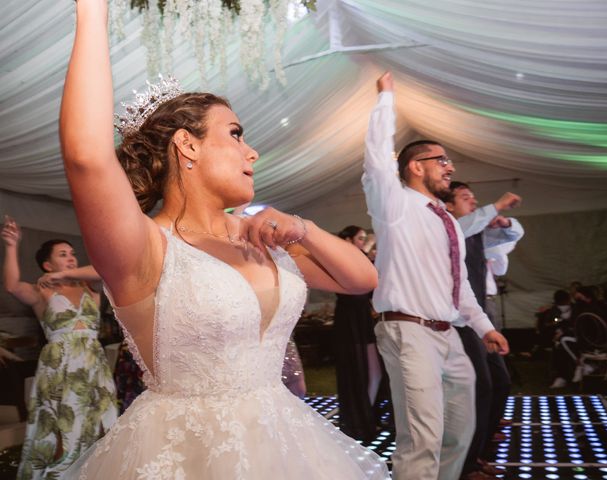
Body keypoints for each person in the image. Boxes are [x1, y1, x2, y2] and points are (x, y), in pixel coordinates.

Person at [59, 2, 389, 479]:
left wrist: (303, 229)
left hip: (285, 441)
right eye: (235, 134)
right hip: (182, 452)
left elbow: (363, 279)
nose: (251, 151)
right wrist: (93, 13)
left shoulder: (264, 237)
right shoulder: (144, 245)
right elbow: (87, 157)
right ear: (187, 144)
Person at [362, 71, 509, 480]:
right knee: (421, 438)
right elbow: (376, 159)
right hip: (408, 332)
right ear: (415, 167)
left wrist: (483, 328)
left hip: (449, 335)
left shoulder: (445, 218)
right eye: (442, 161)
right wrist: (386, 100)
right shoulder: (395, 205)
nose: (451, 167)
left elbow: (458, 286)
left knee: (459, 432)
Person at [1, 217, 117, 479]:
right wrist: (10, 245)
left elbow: (104, 269)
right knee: (61, 425)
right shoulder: (42, 293)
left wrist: (65, 274)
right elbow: (11, 286)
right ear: (46, 264)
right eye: (63, 255)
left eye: (73, 254)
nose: (71, 258)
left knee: (100, 420)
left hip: (92, 364)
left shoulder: (92, 287)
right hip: (59, 365)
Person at [445, 181, 524, 479]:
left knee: (499, 383)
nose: (473, 202)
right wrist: (498, 205)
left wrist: (505, 221)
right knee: (480, 388)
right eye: (466, 198)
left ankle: (479, 448)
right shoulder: (452, 229)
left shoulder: (476, 232)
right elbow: (462, 225)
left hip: (479, 320)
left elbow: (512, 237)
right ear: (449, 206)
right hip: (460, 322)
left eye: (474, 197)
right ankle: (467, 463)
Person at [333, 225, 382, 442]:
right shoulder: (341, 257)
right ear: (348, 240)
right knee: (358, 369)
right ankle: (360, 419)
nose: (364, 242)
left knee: (375, 371)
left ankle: (366, 414)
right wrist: (368, 248)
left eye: (365, 239)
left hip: (363, 316)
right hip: (350, 318)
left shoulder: (361, 257)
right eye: (360, 238)